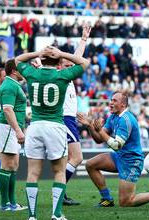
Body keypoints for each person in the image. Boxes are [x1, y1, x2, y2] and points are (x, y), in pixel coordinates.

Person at [15, 46, 90, 220]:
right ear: (57, 61)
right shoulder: (62, 75)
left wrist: (37, 54)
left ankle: (32, 216)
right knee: (59, 172)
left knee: (33, 173)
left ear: (42, 59)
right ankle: (56, 215)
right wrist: (62, 54)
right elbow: (84, 63)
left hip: (35, 126)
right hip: (55, 126)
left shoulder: (32, 73)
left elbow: (17, 60)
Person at [77, 92, 149, 208]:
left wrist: (99, 130)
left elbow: (116, 145)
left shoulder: (126, 119)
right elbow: (99, 139)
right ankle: (107, 199)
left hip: (131, 161)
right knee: (90, 165)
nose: (110, 103)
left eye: (114, 101)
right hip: (119, 157)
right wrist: (90, 126)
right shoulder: (113, 117)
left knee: (126, 202)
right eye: (111, 100)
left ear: (123, 105)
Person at [62, 25, 91, 206]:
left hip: (68, 118)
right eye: (67, 64)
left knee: (65, 158)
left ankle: (61, 193)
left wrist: (83, 39)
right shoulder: (61, 76)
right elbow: (79, 59)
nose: (71, 66)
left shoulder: (67, 75)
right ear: (60, 66)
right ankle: (59, 189)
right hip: (65, 119)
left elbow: (76, 58)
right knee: (77, 157)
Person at [0, 60, 27, 212]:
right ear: (14, 71)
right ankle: (4, 204)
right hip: (7, 128)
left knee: (13, 166)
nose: (23, 71)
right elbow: (7, 110)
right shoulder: (8, 85)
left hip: (11, 128)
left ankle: (12, 203)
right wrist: (18, 130)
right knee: (7, 165)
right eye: (21, 69)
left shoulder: (13, 85)